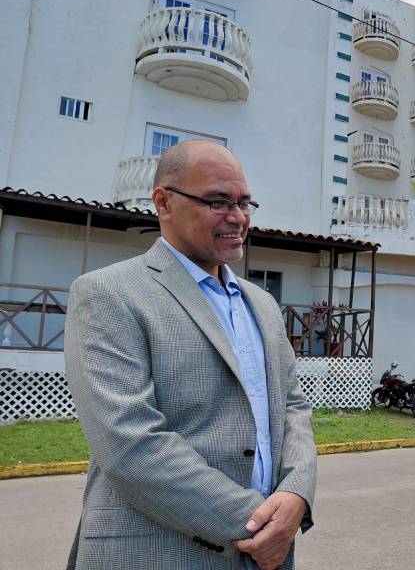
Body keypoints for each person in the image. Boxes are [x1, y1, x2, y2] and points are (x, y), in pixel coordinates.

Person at [65, 140, 317, 570]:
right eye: (218, 201)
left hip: (267, 554)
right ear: (163, 202)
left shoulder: (263, 304)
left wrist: (296, 495)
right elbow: (129, 442)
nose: (237, 217)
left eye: (244, 203)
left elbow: (292, 407)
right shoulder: (108, 293)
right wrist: (259, 525)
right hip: (160, 553)